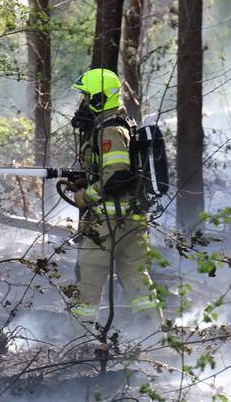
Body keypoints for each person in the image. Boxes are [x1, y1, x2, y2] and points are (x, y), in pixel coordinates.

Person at [68, 67, 162, 335]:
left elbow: (116, 177)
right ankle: (155, 336)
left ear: (100, 98)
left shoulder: (109, 131)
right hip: (132, 219)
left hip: (109, 222)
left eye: (87, 97)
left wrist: (85, 196)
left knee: (89, 276)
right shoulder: (122, 125)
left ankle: (76, 338)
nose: (83, 103)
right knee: (137, 280)